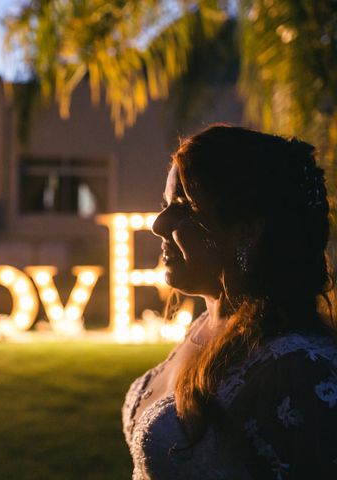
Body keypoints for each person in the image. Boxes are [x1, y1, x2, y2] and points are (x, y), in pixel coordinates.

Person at [123, 125, 337, 479]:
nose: (159, 225)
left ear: (246, 232)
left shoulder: (295, 367)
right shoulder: (203, 328)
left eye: (184, 207)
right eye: (165, 205)